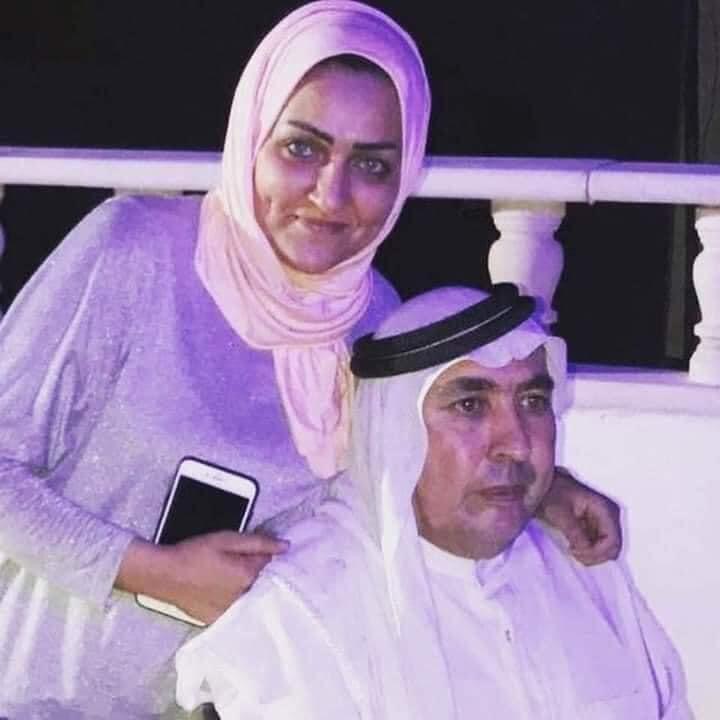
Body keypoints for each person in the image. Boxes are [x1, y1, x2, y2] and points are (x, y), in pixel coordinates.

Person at [0, 2, 619, 718]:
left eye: (372, 165)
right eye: (302, 148)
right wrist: (151, 570)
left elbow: (410, 465)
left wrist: (548, 491)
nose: (331, 194)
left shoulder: (374, 320)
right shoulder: (136, 253)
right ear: (253, 136)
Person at [176, 284, 692, 720]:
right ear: (396, 433)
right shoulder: (299, 612)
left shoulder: (582, 564)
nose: (515, 444)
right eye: (470, 405)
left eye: (533, 402)